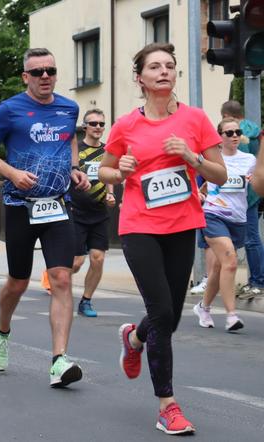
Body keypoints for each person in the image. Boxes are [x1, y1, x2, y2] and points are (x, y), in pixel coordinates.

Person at [98, 43, 226, 435]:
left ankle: (134, 337)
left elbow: (219, 175)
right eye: (155, 66)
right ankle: (167, 405)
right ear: (140, 78)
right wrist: (119, 170)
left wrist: (193, 157)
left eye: (169, 66)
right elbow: (104, 172)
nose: (164, 71)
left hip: (182, 223)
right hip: (139, 226)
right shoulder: (125, 126)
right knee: (163, 313)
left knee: (166, 316)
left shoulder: (195, 119)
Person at [0, 47, 90, 387]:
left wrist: (74, 168)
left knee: (62, 278)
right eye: (37, 72)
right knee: (19, 281)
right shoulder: (9, 110)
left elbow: (69, 142)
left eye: (50, 71)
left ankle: (59, 360)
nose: (45, 77)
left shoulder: (69, 108)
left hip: (57, 204)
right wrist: (11, 173)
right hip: (19, 205)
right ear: (25, 76)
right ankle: (2, 328)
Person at [192, 118, 253, 331]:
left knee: (219, 268)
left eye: (237, 131)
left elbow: (256, 181)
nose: (234, 135)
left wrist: (255, 179)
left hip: (238, 218)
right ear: (220, 137)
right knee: (231, 260)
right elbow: (202, 181)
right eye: (229, 133)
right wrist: (198, 195)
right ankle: (231, 316)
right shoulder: (213, 160)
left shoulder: (249, 159)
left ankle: (204, 306)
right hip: (213, 214)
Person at [68, 108, 116, 317]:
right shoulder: (75, 150)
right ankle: (57, 277)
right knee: (77, 262)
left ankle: (85, 301)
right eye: (94, 124)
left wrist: (111, 195)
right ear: (85, 126)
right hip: (76, 211)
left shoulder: (108, 151)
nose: (98, 127)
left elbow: (110, 176)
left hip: (99, 212)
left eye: (101, 124)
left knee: (97, 258)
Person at [220, 100, 264, 298]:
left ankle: (257, 281)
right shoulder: (255, 132)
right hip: (254, 193)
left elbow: (237, 164)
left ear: (227, 116)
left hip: (240, 194)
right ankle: (256, 280)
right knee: (252, 238)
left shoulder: (238, 135)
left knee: (251, 239)